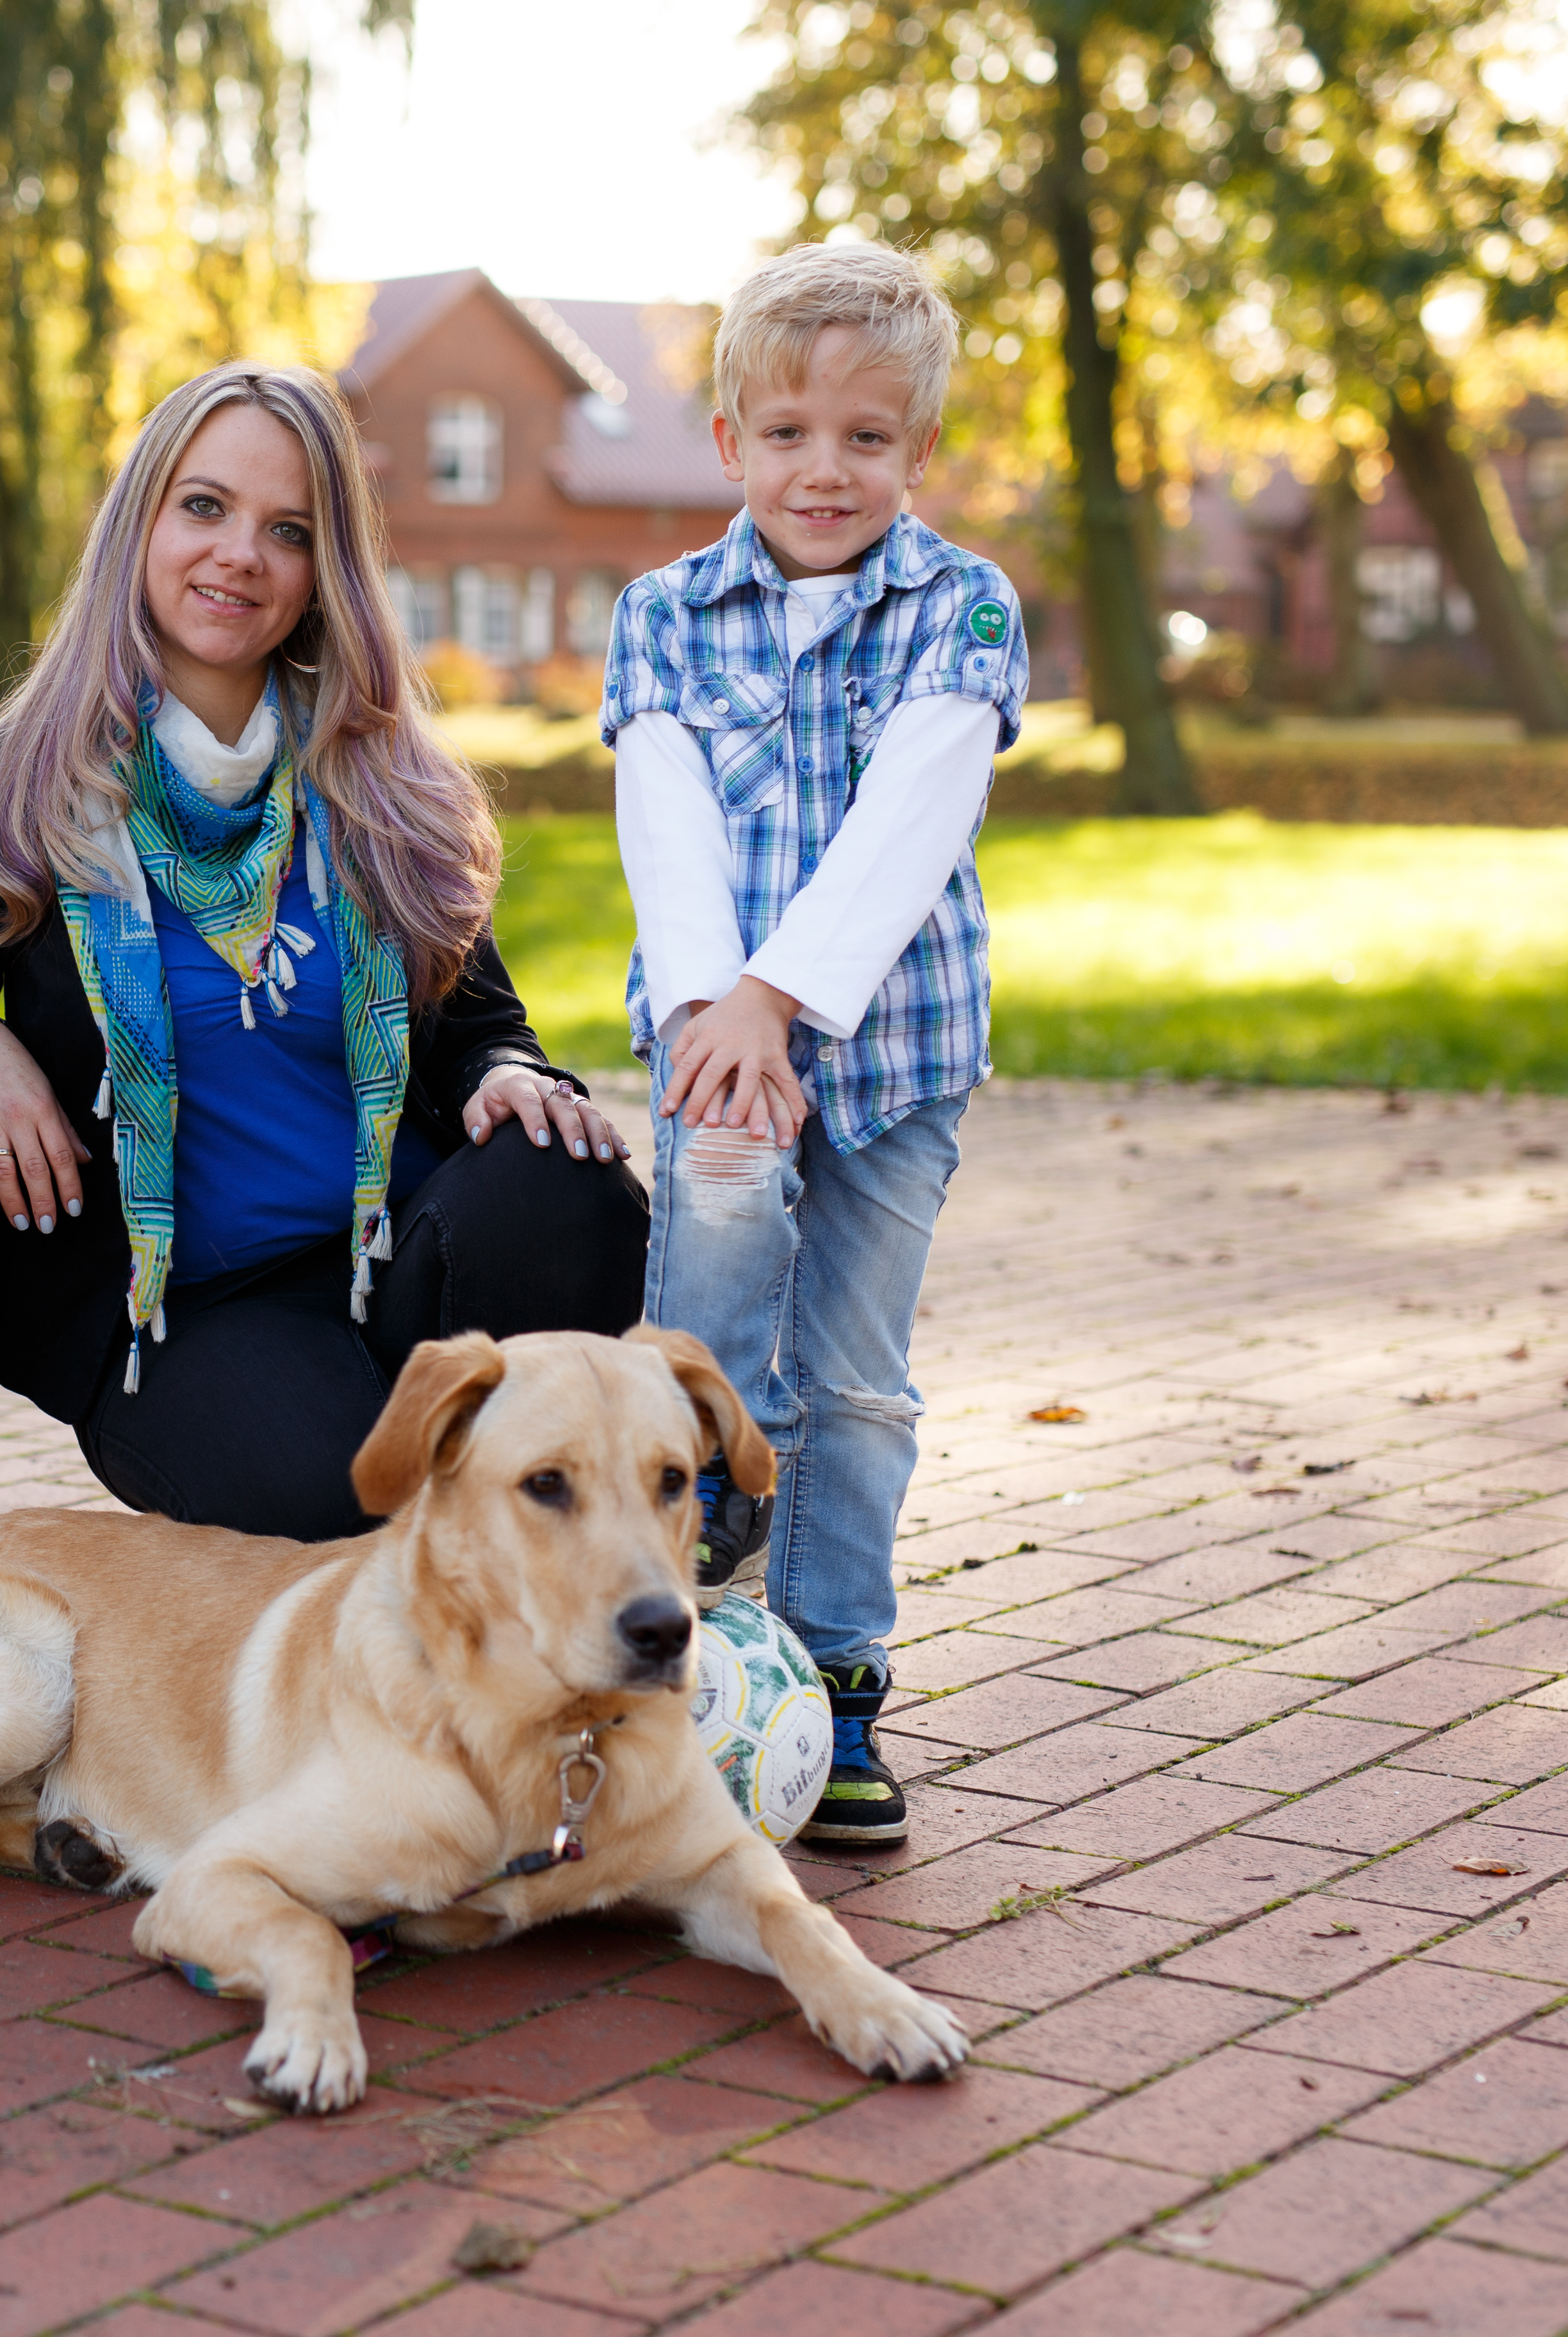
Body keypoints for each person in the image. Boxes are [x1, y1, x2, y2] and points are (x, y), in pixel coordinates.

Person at [0, 363, 646, 1541]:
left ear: (324, 575)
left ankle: (594, 1525)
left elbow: (481, 1028)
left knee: (566, 1177)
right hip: (194, 1311)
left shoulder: (381, 788)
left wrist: (510, 1074)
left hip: (402, 1256)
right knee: (360, 1532)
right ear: (139, 525)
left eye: (288, 530)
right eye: (203, 507)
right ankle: (520, 1529)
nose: (239, 555)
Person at [607, 242, 1030, 1849]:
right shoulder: (665, 613)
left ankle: (840, 1680)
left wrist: (784, 1000)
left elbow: (913, 814)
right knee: (708, 1347)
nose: (824, 468)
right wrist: (722, 1013)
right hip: (721, 1045)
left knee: (852, 1384)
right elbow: (666, 811)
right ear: (730, 443)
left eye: (866, 438)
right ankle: (690, 1591)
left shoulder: (957, 603)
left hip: (894, 1048)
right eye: (787, 432)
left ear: (920, 454)